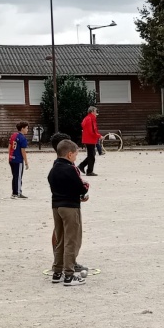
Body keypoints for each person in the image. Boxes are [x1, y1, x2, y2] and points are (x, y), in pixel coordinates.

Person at [48, 138, 90, 286]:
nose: (76, 158)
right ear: (70, 154)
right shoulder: (71, 168)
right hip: (70, 207)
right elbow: (82, 187)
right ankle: (69, 275)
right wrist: (85, 190)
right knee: (72, 240)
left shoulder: (53, 169)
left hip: (56, 206)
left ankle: (57, 272)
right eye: (76, 155)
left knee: (60, 240)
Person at [8, 121, 30, 198]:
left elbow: (9, 146)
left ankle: (14, 192)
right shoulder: (22, 138)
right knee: (18, 176)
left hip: (11, 159)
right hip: (18, 160)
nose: (28, 130)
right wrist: (26, 162)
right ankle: (17, 193)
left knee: (15, 176)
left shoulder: (13, 135)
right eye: (27, 128)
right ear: (22, 128)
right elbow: (23, 151)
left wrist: (10, 155)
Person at [78, 106, 101, 176]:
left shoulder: (87, 118)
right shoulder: (91, 119)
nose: (96, 112)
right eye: (95, 111)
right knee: (92, 156)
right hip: (90, 139)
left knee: (91, 155)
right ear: (92, 111)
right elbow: (92, 131)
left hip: (88, 139)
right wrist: (99, 136)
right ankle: (88, 170)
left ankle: (83, 166)